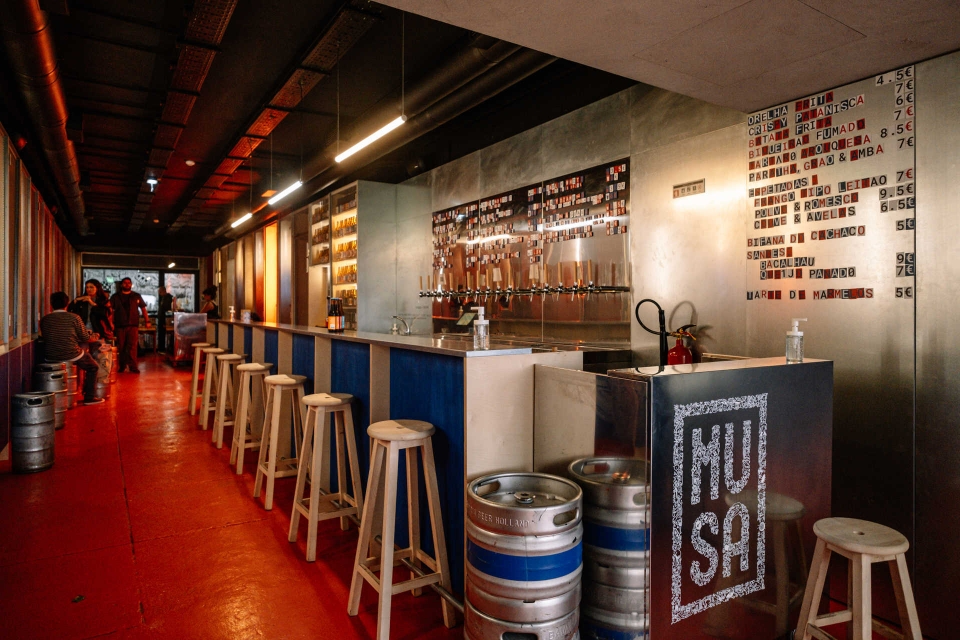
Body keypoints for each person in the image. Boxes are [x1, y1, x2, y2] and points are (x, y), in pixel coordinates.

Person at [40, 291, 104, 405]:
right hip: (71, 354)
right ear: (67, 303)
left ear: (51, 303)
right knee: (93, 367)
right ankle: (89, 397)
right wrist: (95, 336)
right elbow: (85, 337)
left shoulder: (45, 319)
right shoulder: (74, 317)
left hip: (50, 355)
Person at [110, 277, 151, 373]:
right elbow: (111, 311)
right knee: (121, 346)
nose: (127, 284)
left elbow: (143, 308)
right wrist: (111, 323)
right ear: (121, 284)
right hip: (120, 325)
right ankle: (122, 366)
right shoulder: (115, 296)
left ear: (131, 284)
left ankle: (133, 366)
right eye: (125, 283)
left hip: (133, 324)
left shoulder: (136, 296)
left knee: (132, 346)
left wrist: (147, 321)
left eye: (129, 283)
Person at [156, 285, 177, 354]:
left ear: (162, 291)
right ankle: (161, 349)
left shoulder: (167, 298)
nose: (159, 293)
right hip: (162, 318)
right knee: (161, 334)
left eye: (159, 291)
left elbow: (166, 309)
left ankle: (162, 349)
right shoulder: (165, 298)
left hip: (164, 319)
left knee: (162, 334)